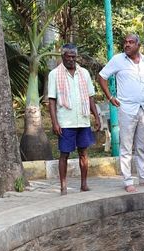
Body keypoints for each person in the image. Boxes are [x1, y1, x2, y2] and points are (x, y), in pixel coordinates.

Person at [97, 34, 144, 193]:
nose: (127, 45)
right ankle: (128, 181)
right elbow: (102, 77)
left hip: (143, 108)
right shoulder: (118, 60)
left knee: (141, 145)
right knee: (126, 146)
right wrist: (110, 97)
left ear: (138, 45)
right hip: (126, 109)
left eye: (131, 42)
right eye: (125, 42)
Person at [48, 44, 101, 195]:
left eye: (73, 57)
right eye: (68, 56)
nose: (71, 59)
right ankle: (63, 186)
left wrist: (96, 116)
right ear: (63, 56)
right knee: (64, 154)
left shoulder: (84, 73)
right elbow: (51, 101)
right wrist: (55, 122)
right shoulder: (54, 74)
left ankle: (84, 184)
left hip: (83, 119)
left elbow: (90, 97)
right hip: (65, 121)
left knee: (83, 152)